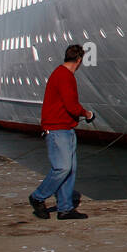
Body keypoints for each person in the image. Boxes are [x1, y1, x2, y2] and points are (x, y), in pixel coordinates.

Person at [29, 45, 94, 220]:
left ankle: (65, 208)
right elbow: (71, 104)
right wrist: (87, 114)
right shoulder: (65, 76)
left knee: (70, 169)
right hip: (58, 130)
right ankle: (38, 197)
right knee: (62, 168)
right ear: (79, 60)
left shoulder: (60, 74)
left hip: (65, 128)